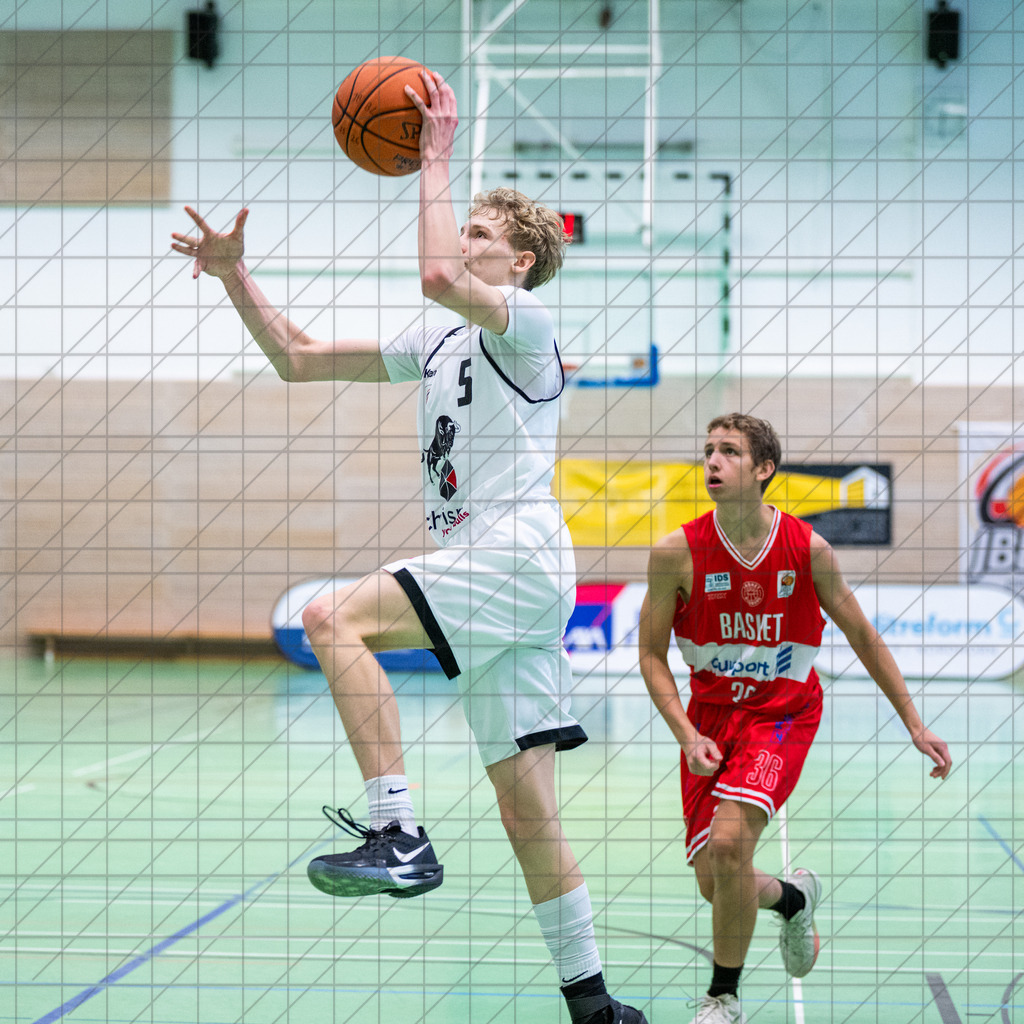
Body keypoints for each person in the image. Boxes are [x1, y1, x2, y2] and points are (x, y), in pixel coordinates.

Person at [171, 69, 647, 1024]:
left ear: (520, 263)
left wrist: (434, 157)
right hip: (505, 576)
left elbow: (436, 274)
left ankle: (397, 831)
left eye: (483, 233)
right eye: (462, 225)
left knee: (329, 618)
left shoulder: (529, 323)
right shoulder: (436, 339)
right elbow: (298, 360)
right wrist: (233, 278)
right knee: (528, 811)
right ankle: (594, 1004)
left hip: (512, 550)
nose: (464, 239)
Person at [638, 413, 952, 1024]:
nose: (713, 461)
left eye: (730, 452)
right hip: (710, 720)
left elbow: (862, 634)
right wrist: (687, 733)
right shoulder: (675, 553)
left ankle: (723, 999)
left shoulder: (808, 550)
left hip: (782, 715)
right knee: (716, 880)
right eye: (709, 451)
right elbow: (650, 655)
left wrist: (914, 723)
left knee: (730, 845)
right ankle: (792, 899)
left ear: (764, 469)